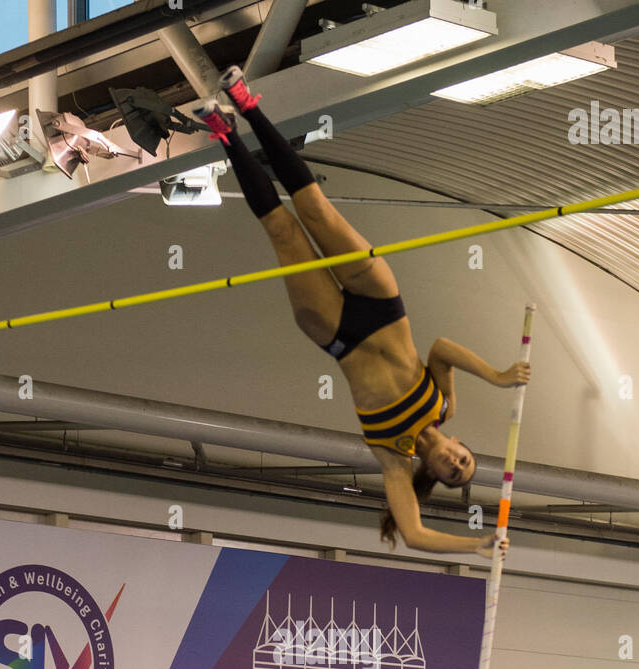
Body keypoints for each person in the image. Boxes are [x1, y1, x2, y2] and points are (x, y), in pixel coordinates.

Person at [195, 69, 524, 555]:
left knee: (283, 231)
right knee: (316, 210)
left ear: (431, 475)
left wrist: (474, 546)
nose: (455, 463)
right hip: (383, 307)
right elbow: (442, 349)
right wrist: (498, 377)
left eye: (452, 473)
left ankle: (225, 135)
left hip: (339, 335)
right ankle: (247, 105)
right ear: (461, 444)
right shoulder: (443, 405)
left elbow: (413, 534)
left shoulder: (394, 458)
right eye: (465, 460)